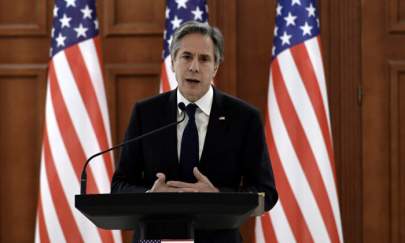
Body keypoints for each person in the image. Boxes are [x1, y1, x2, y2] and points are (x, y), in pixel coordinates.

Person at [111, 20, 278, 243]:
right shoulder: (146, 113)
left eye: (205, 59)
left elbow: (266, 193)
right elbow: (120, 185)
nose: (194, 67)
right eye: (187, 57)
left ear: (216, 66)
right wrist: (150, 195)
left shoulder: (244, 118)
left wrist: (218, 198)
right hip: (156, 237)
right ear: (173, 62)